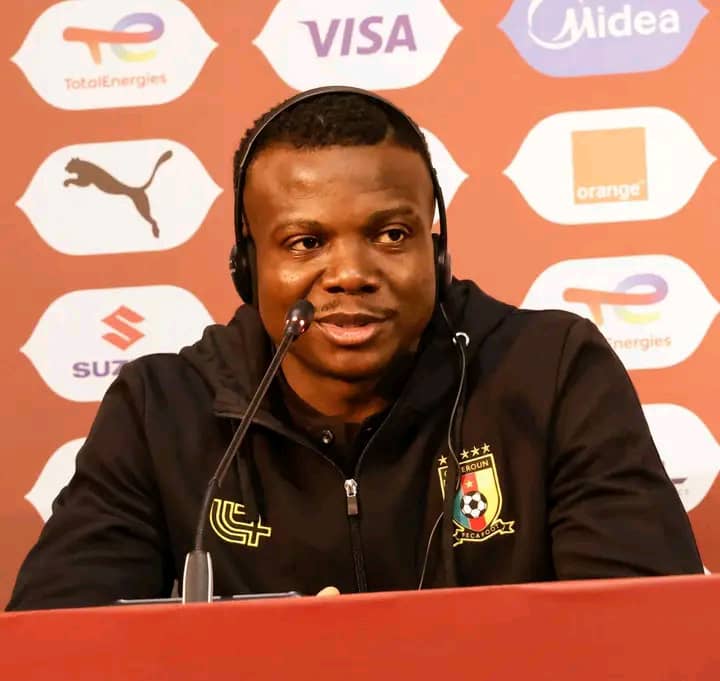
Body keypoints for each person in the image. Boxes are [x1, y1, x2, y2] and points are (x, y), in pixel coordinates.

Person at [6, 87, 702, 610]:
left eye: (391, 235)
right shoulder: (161, 409)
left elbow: (643, 630)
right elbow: (60, 644)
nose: (350, 273)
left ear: (437, 247)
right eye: (305, 242)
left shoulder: (550, 371)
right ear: (248, 266)